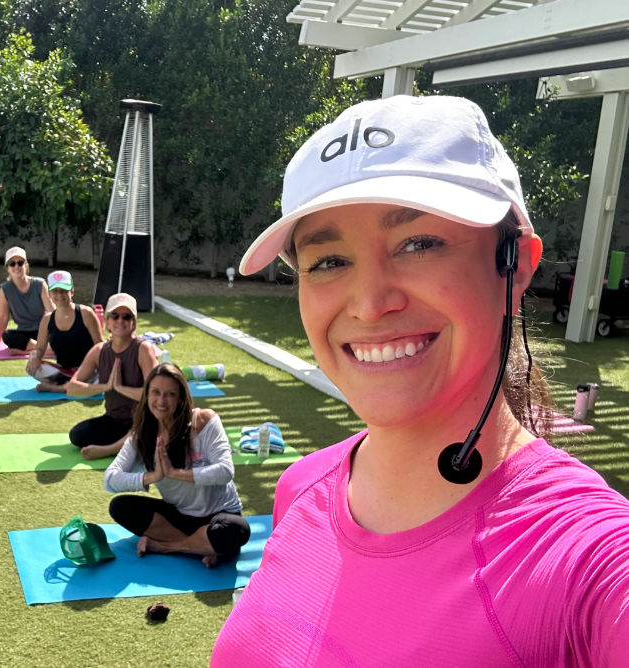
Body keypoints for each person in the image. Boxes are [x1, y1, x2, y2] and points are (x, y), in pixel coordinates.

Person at [212, 95, 629, 665]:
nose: (369, 303)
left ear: (516, 266)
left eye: (419, 244)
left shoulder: (584, 557)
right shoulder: (302, 486)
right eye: (329, 260)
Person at [104, 363, 250, 568]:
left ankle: (168, 547)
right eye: (155, 392)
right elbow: (110, 479)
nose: (161, 401)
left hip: (219, 514)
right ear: (146, 395)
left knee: (236, 530)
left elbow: (225, 471)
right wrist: (153, 477)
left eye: (170, 394)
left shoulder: (204, 420)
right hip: (180, 517)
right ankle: (200, 546)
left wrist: (175, 473)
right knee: (120, 507)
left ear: (181, 397)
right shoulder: (142, 435)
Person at [66, 293, 157, 459]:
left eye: (126, 316)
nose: (120, 320)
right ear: (107, 322)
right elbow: (72, 389)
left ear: (134, 322)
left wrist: (121, 388)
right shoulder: (99, 351)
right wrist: (106, 387)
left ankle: (111, 449)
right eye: (115, 316)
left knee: (147, 428)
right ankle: (129, 445)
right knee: (77, 435)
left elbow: (155, 395)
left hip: (145, 419)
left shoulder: (144, 349)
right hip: (115, 420)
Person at [26, 270, 104, 392]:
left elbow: (100, 345)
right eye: (55, 291)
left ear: (72, 291)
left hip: (89, 371)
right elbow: (40, 348)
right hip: (64, 371)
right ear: (49, 294)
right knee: (31, 368)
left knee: (104, 376)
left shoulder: (86, 313)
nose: (60, 295)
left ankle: (58, 387)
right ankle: (73, 385)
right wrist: (34, 356)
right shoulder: (47, 320)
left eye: (64, 291)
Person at [0, 246, 54, 353]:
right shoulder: (5, 289)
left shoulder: (40, 284)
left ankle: (32, 349)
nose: (16, 267)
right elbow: (3, 317)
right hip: (24, 334)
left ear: (26, 265)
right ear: (8, 268)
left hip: (43, 331)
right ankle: (44, 348)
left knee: (57, 335)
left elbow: (51, 310)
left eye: (20, 263)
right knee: (7, 336)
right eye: (12, 264)